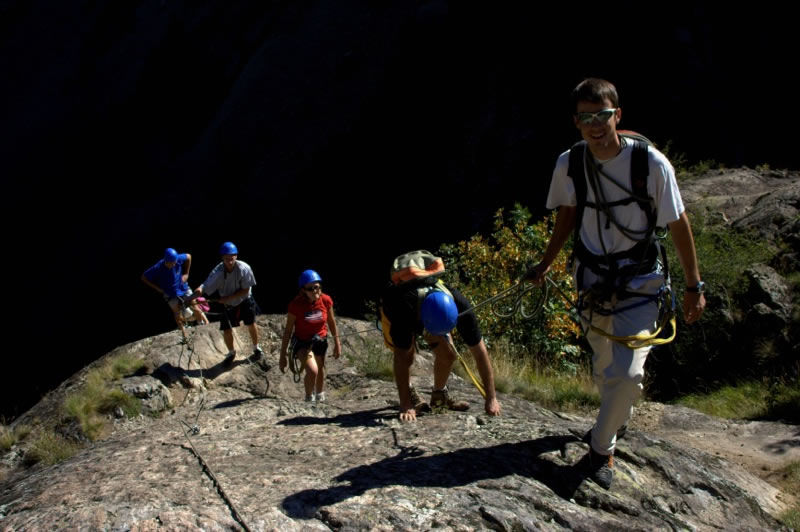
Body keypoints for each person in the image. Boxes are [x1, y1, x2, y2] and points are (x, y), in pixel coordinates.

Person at [527, 78, 706, 489]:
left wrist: (695, 285)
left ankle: (600, 450)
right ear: (576, 121)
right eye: (586, 117)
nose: (595, 125)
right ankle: (616, 417)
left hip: (640, 280)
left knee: (625, 374)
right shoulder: (568, 164)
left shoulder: (652, 164)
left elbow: (678, 223)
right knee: (605, 361)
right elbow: (566, 216)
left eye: (603, 116)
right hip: (591, 278)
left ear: (617, 115)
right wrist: (545, 264)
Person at [380, 252, 501, 422]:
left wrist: (491, 397)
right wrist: (405, 405)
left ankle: (439, 396)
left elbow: (480, 352)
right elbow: (400, 358)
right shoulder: (402, 307)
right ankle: (409, 393)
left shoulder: (460, 306)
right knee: (407, 357)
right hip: (398, 312)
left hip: (429, 311)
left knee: (448, 354)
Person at [190, 242, 262, 366]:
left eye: (232, 258)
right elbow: (205, 286)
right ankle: (231, 352)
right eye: (227, 259)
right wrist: (193, 297)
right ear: (222, 258)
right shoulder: (218, 272)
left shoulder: (244, 268)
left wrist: (228, 298)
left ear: (236, 256)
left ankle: (256, 347)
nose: (229, 261)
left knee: (251, 323)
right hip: (228, 304)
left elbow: (246, 289)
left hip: (244, 299)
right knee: (227, 329)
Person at [279, 270, 342, 402]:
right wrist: (282, 356)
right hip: (303, 343)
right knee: (313, 370)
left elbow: (331, 322)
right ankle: (309, 397)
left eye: (317, 287)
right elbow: (288, 330)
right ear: (303, 290)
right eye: (310, 288)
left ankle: (320, 395)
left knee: (320, 368)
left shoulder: (326, 300)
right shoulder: (296, 305)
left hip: (320, 340)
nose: (315, 291)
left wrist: (337, 343)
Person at [141, 248, 208, 338]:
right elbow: (144, 277)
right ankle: (184, 334)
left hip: (182, 287)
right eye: (172, 262)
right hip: (170, 293)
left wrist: (186, 274)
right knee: (177, 313)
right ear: (166, 261)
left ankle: (202, 325)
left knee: (194, 305)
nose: (174, 264)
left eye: (175, 261)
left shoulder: (178, 259)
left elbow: (189, 256)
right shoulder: (158, 267)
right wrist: (158, 289)